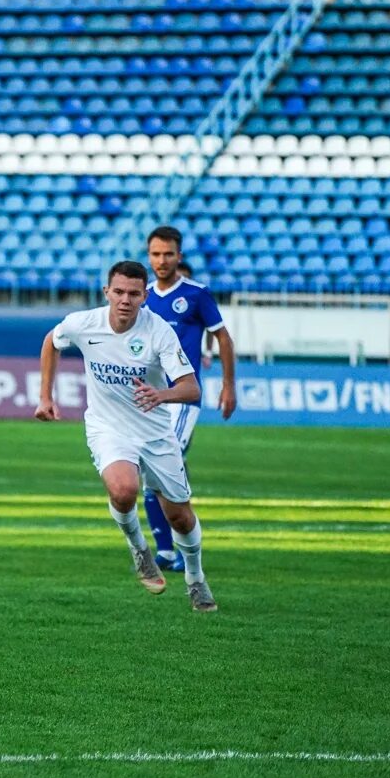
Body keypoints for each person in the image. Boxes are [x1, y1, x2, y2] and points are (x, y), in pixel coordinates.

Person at [35, 260, 218, 612]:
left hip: (154, 432)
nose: (125, 300)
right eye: (118, 292)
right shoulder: (83, 323)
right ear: (107, 292)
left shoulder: (159, 331)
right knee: (123, 490)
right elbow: (51, 341)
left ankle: (196, 579)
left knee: (179, 515)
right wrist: (45, 396)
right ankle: (140, 550)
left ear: (144, 296)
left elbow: (191, 387)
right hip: (108, 426)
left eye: (134, 294)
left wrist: (161, 395)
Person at [143, 227, 236, 572]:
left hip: (182, 398)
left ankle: (186, 550)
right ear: (148, 256)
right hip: (151, 399)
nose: (162, 260)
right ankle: (166, 551)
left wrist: (228, 385)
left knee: (164, 466)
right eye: (156, 254)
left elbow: (223, 338)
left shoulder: (197, 294)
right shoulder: (144, 296)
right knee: (150, 474)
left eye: (168, 254)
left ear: (178, 256)